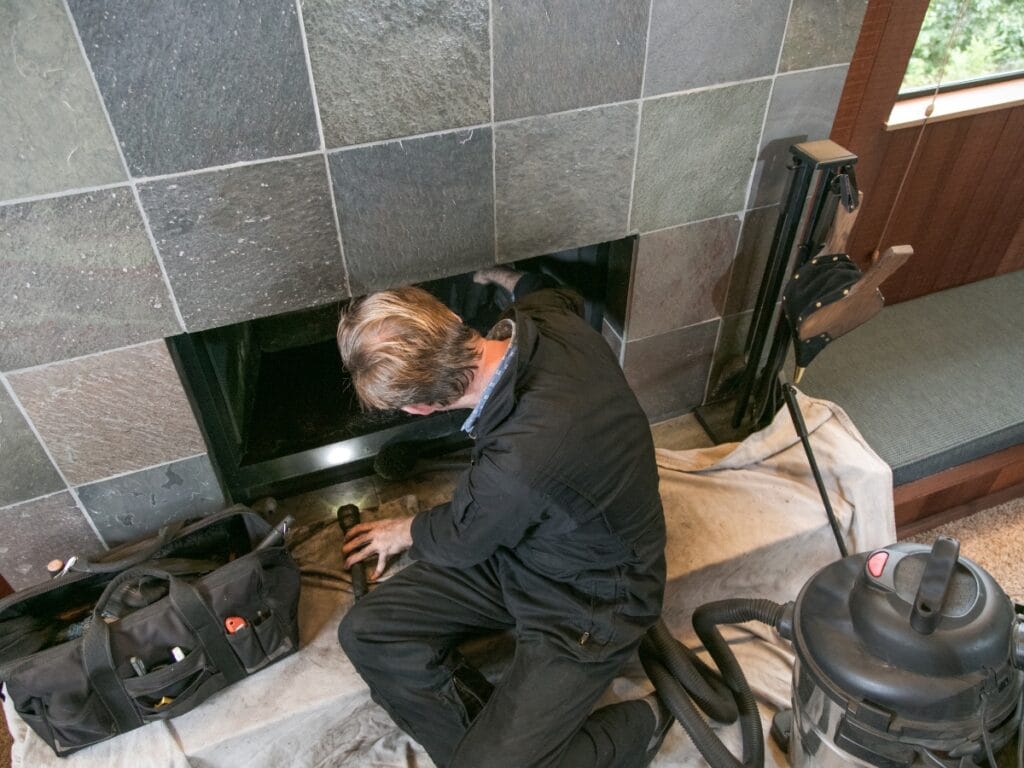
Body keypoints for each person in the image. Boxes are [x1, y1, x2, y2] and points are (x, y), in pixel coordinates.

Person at [336, 267, 671, 768]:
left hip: (593, 597)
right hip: (530, 548)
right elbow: (554, 292)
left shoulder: (515, 465)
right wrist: (509, 278)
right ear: (451, 317)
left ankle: (640, 725)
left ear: (423, 409)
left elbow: (462, 539)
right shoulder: (548, 324)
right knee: (367, 631)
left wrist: (403, 530)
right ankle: (487, 749)